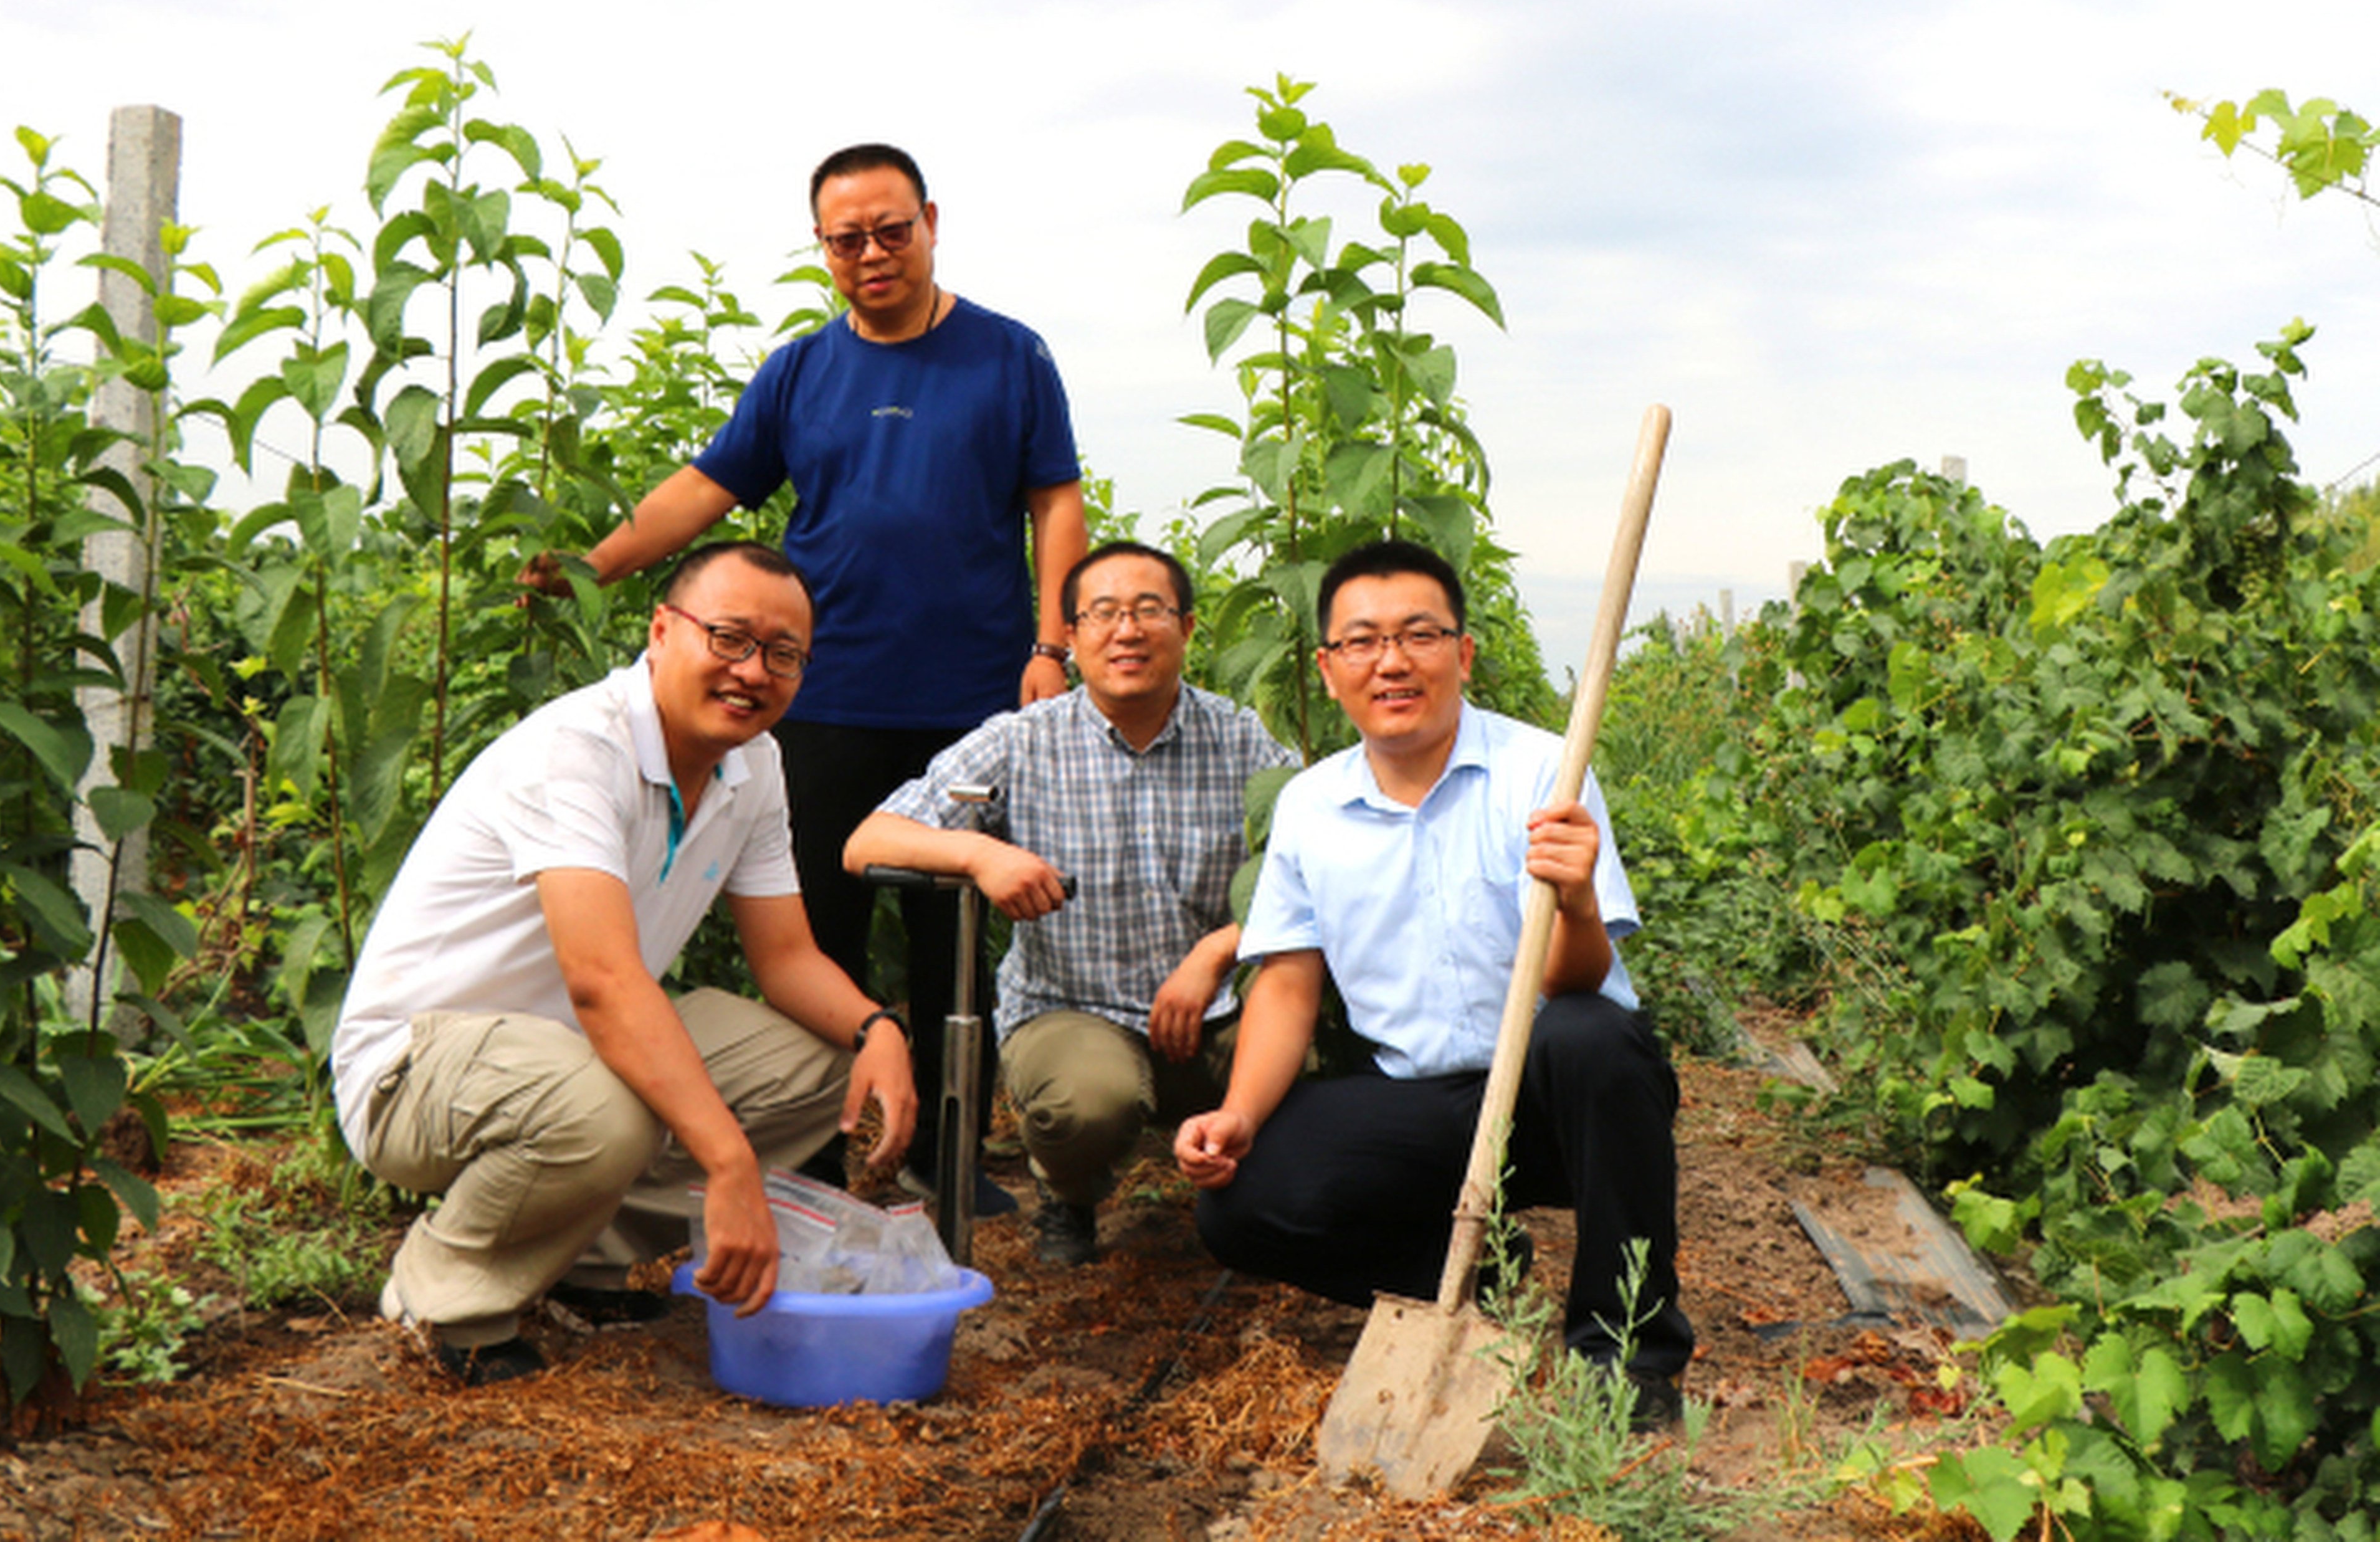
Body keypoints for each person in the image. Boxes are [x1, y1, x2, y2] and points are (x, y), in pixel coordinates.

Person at [526, 143, 1083, 1207]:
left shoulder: (1009, 357)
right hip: (818, 693)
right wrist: (595, 566)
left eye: (891, 230)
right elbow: (709, 486)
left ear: (930, 221)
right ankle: (822, 1151)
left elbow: (1055, 500)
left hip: (971, 699)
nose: (871, 253)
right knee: (815, 924)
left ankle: (951, 1156)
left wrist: (1048, 647)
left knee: (950, 940)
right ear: (821, 247)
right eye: (846, 239)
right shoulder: (801, 369)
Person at [334, 542, 918, 1386]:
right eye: (728, 637)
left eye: (783, 654)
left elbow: (787, 957)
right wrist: (729, 1165)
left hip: (566, 1054)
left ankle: (580, 1254)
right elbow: (603, 983)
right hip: (416, 1065)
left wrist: (880, 1029)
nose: (753, 670)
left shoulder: (753, 765)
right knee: (610, 1107)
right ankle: (443, 1297)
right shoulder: (576, 750)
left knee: (819, 1065)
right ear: (660, 631)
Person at [1173, 538, 1693, 1425]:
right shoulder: (1310, 805)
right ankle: (1479, 1277)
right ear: (1330, 669)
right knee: (1240, 1204)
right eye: (1364, 641)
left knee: (1590, 1033)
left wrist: (1574, 904)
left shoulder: (1542, 771)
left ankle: (1626, 1352)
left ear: (1464, 653)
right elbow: (1289, 988)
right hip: (1424, 1104)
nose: (1393, 661)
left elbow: (1585, 978)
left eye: (1419, 634)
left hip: (1556, 1098)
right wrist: (1240, 1115)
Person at [843, 542, 1297, 1264]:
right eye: (1104, 613)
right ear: (1072, 637)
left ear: (1187, 627)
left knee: (1302, 1083)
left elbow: (1321, 869)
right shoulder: (1023, 742)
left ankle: (1245, 1190)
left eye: (1150, 610)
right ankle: (1068, 1191)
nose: (1127, 630)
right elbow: (868, 840)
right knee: (1082, 1107)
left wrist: (1215, 953)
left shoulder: (1241, 740)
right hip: (1072, 1008)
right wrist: (981, 852)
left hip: (1214, 1007)